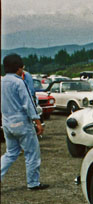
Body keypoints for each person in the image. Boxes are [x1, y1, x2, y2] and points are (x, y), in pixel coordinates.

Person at [1, 54, 48, 190]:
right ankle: (33, 183)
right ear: (19, 68)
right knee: (32, 152)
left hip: (7, 122)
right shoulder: (19, 82)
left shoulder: (2, 82)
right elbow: (28, 103)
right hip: (21, 122)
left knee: (11, 153)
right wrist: (38, 122)